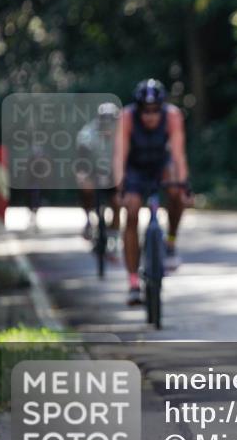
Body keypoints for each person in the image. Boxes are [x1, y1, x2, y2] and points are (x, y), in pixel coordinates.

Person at [113, 79, 191, 306]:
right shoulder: (127, 117)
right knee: (133, 211)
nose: (151, 116)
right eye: (145, 111)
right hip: (135, 169)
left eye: (156, 110)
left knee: (176, 193)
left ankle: (171, 242)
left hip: (161, 166)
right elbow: (120, 156)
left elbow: (178, 155)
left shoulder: (173, 116)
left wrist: (184, 185)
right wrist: (120, 187)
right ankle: (133, 282)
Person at [76, 102, 122, 254]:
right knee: (86, 188)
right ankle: (89, 218)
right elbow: (82, 153)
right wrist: (82, 173)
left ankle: (114, 234)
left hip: (114, 171)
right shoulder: (89, 132)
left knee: (117, 201)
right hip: (93, 169)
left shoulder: (123, 132)